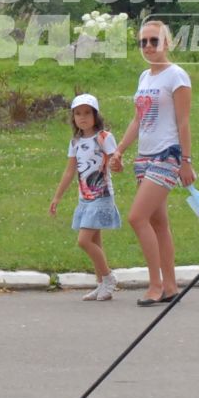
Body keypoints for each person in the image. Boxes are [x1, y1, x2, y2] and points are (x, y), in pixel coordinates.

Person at [115, 20, 195, 306]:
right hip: (144, 156)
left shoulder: (177, 76)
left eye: (154, 41)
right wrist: (120, 150)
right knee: (158, 222)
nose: (148, 46)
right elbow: (138, 119)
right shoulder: (144, 77)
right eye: (143, 42)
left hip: (167, 155)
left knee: (137, 218)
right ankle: (171, 287)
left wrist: (185, 161)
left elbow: (184, 121)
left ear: (167, 43)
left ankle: (156, 285)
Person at [49, 92, 122, 301]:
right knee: (95, 241)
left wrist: (118, 165)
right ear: (73, 117)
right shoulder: (75, 142)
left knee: (84, 241)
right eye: (78, 113)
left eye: (87, 113)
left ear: (95, 115)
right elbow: (69, 171)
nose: (83, 117)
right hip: (85, 197)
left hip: (101, 194)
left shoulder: (104, 137)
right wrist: (57, 198)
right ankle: (101, 285)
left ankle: (109, 278)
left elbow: (114, 162)